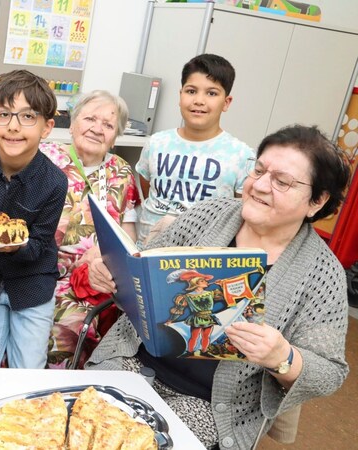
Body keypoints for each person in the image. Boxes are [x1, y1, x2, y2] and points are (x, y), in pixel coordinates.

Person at [87, 125, 351, 448]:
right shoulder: (208, 213)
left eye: (281, 181)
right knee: (82, 426)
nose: (260, 186)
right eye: (258, 170)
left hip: (210, 405)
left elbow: (330, 372)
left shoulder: (322, 274)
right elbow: (144, 277)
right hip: (131, 362)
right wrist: (111, 274)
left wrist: (282, 356)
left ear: (317, 201)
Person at [0, 70, 68, 369]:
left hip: (33, 285)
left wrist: (14, 246)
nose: (13, 127)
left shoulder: (55, 182)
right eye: (4, 114)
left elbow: (38, 245)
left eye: (27, 117)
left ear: (47, 127)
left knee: (29, 370)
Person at [39, 90, 139, 369]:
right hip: (41, 271)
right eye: (90, 119)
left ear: (116, 136)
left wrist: (107, 255)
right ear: (71, 124)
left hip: (94, 278)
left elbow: (129, 232)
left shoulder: (122, 171)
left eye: (108, 125)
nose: (97, 129)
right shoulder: (45, 156)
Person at [135, 53, 254, 247]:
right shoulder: (156, 143)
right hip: (146, 249)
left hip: (200, 259)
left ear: (226, 102)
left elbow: (242, 213)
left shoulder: (241, 155)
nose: (199, 100)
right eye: (191, 91)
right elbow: (148, 188)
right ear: (180, 95)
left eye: (212, 93)